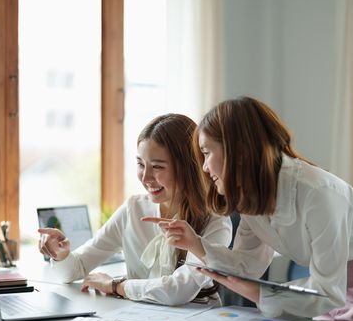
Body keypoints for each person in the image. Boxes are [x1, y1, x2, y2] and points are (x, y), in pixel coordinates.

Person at [143, 97, 353, 321]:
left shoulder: (318, 193)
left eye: (206, 153)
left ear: (238, 153)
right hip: (331, 288)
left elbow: (326, 291)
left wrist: (259, 293)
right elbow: (247, 265)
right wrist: (196, 244)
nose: (203, 167)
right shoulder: (253, 196)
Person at [38, 113, 232, 306]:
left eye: (157, 167)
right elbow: (76, 269)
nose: (145, 177)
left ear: (188, 167)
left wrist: (116, 286)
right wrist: (60, 254)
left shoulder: (216, 221)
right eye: (140, 164)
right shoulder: (134, 209)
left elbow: (177, 291)